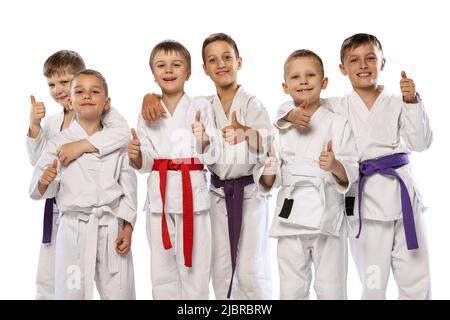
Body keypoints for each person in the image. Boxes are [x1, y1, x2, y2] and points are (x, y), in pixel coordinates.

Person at [288, 34, 433, 299]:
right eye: (354, 60)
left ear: (383, 63)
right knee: (373, 282)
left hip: (404, 200)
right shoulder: (336, 106)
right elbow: (298, 106)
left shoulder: (399, 102)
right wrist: (290, 114)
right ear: (343, 68)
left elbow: (421, 143)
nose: (363, 65)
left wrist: (412, 102)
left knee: (416, 279)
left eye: (370, 58)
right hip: (364, 204)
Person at [140, 33, 273, 300]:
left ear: (239, 62)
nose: (221, 64)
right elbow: (173, 98)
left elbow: (268, 145)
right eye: (213, 60)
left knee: (250, 268)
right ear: (204, 69)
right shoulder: (204, 104)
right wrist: (149, 95)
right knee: (219, 268)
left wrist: (246, 132)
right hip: (215, 193)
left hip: (248, 191)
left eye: (227, 57)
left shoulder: (252, 103)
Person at [26, 50, 130, 299]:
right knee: (52, 279)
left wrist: (80, 146)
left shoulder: (103, 112)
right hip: (61, 207)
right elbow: (38, 162)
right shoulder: (52, 122)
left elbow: (122, 134)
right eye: (52, 84)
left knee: (103, 281)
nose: (58, 90)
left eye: (65, 82)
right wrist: (34, 127)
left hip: (94, 208)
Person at [261, 49, 358, 299]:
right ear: (285, 86)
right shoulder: (281, 125)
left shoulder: (338, 122)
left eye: (310, 75)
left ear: (324, 82)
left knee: (332, 287)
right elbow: (269, 180)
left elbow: (350, 170)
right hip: (290, 214)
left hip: (328, 214)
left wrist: (335, 164)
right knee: (291, 287)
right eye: (295, 77)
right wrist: (269, 170)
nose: (303, 81)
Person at [128, 40, 218, 300]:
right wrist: (135, 157)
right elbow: (145, 163)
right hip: (160, 200)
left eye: (176, 65)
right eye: (161, 66)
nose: (168, 70)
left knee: (196, 271)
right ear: (154, 74)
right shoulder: (148, 111)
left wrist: (203, 138)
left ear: (188, 73)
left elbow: (211, 156)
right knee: (162, 272)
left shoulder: (201, 106)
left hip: (194, 200)